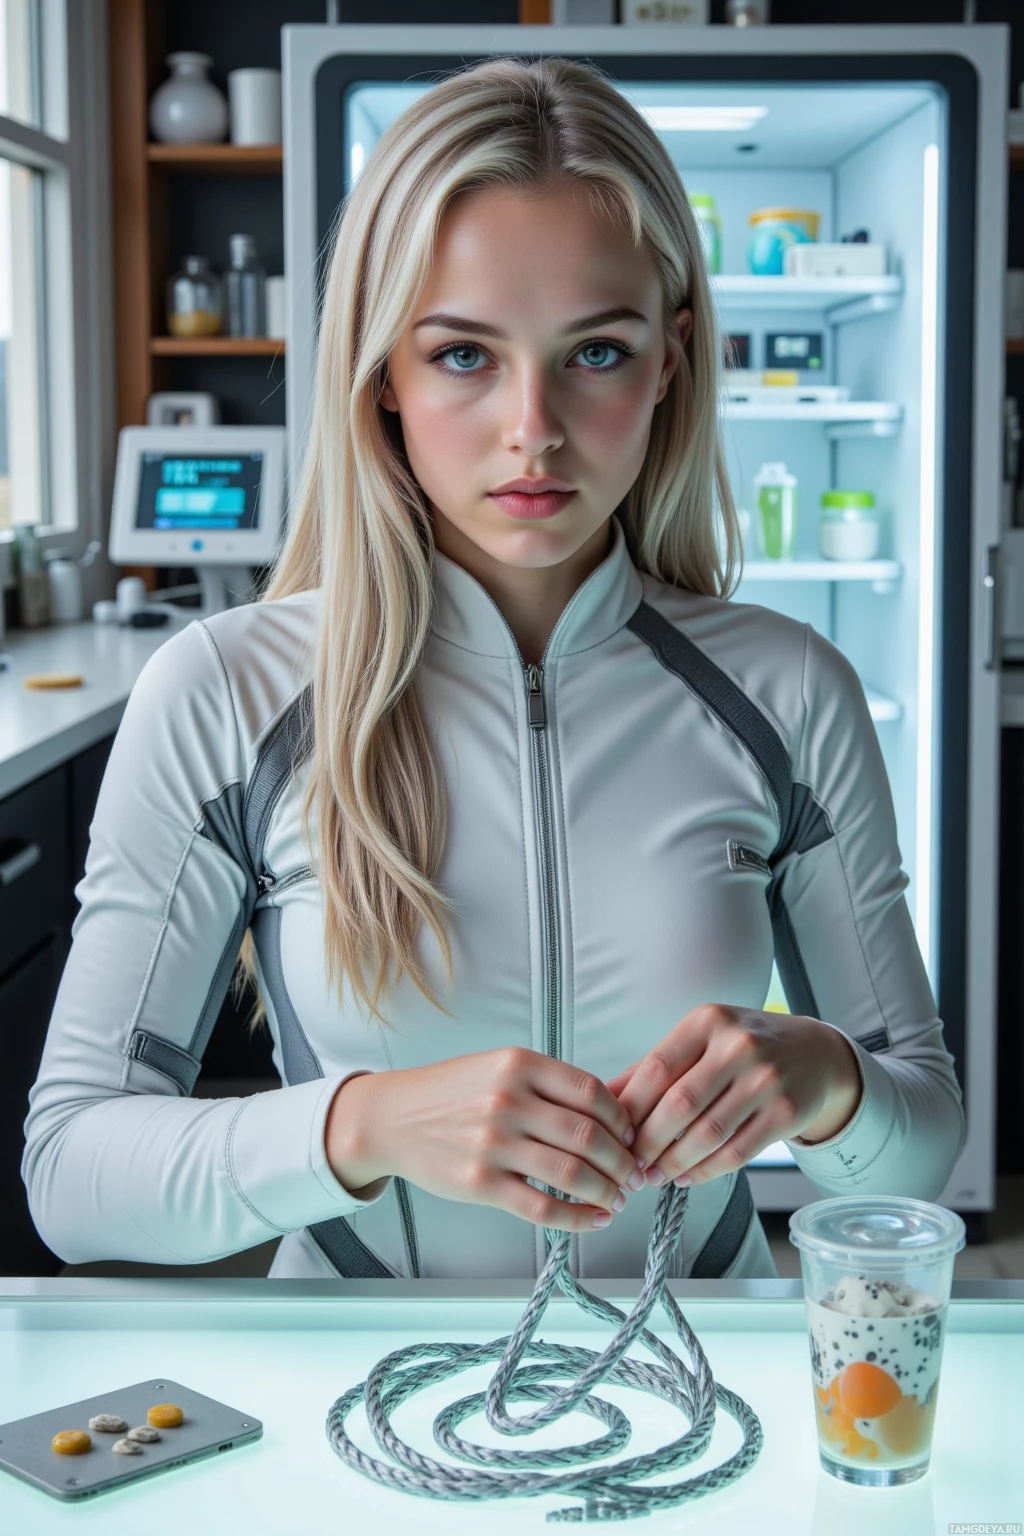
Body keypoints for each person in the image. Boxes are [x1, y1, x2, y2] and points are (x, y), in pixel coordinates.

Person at [22, 56, 964, 1282]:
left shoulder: (791, 691)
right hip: (354, 1393)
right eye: (464, 355)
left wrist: (829, 1084)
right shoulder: (225, 695)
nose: (535, 429)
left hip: (702, 1391)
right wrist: (362, 1127)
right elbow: (73, 1175)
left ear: (670, 358)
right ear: (382, 376)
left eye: (597, 352)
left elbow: (920, 1146)